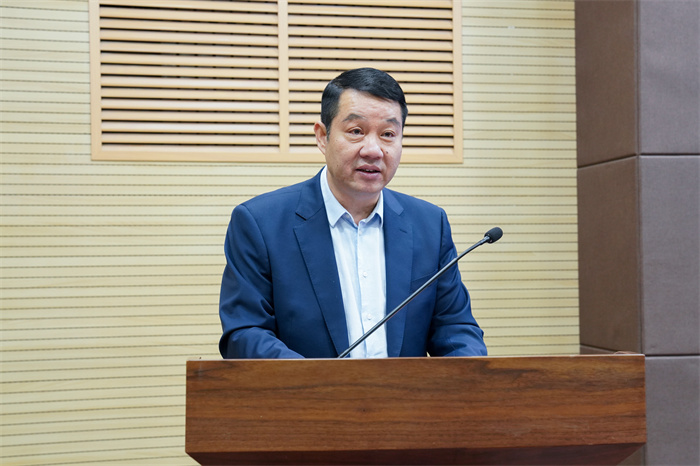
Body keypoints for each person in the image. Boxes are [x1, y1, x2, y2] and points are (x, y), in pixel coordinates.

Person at [219, 67, 487, 359]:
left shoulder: (430, 225)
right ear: (323, 137)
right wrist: (319, 382)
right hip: (307, 389)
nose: (373, 150)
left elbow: (455, 328)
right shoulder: (260, 223)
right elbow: (246, 333)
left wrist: (471, 371)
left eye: (388, 134)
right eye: (356, 132)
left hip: (405, 391)